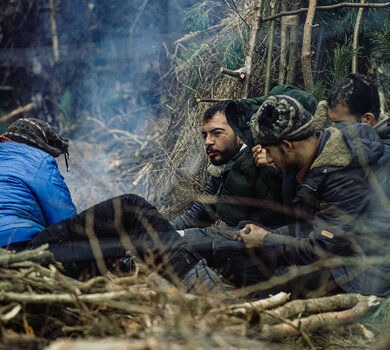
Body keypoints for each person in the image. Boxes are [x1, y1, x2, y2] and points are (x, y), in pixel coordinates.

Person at [1, 118, 227, 295]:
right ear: (40, 145)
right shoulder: (37, 159)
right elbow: (65, 224)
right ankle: (209, 291)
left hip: (8, 265)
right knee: (129, 208)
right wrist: (108, 244)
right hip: (23, 258)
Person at [213, 95, 390, 298]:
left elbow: (322, 249)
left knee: (279, 276)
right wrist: (260, 235)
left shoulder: (342, 174)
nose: (267, 158)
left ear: (288, 146)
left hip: (360, 273)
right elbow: (309, 228)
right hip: (326, 246)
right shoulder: (308, 157)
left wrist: (267, 240)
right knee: (228, 250)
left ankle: (280, 311)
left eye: (270, 151)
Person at [170, 101, 245, 230]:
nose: (208, 142)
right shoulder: (223, 165)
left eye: (217, 133)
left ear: (241, 135)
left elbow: (231, 234)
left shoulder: (259, 165)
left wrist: (177, 237)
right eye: (205, 135)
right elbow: (199, 215)